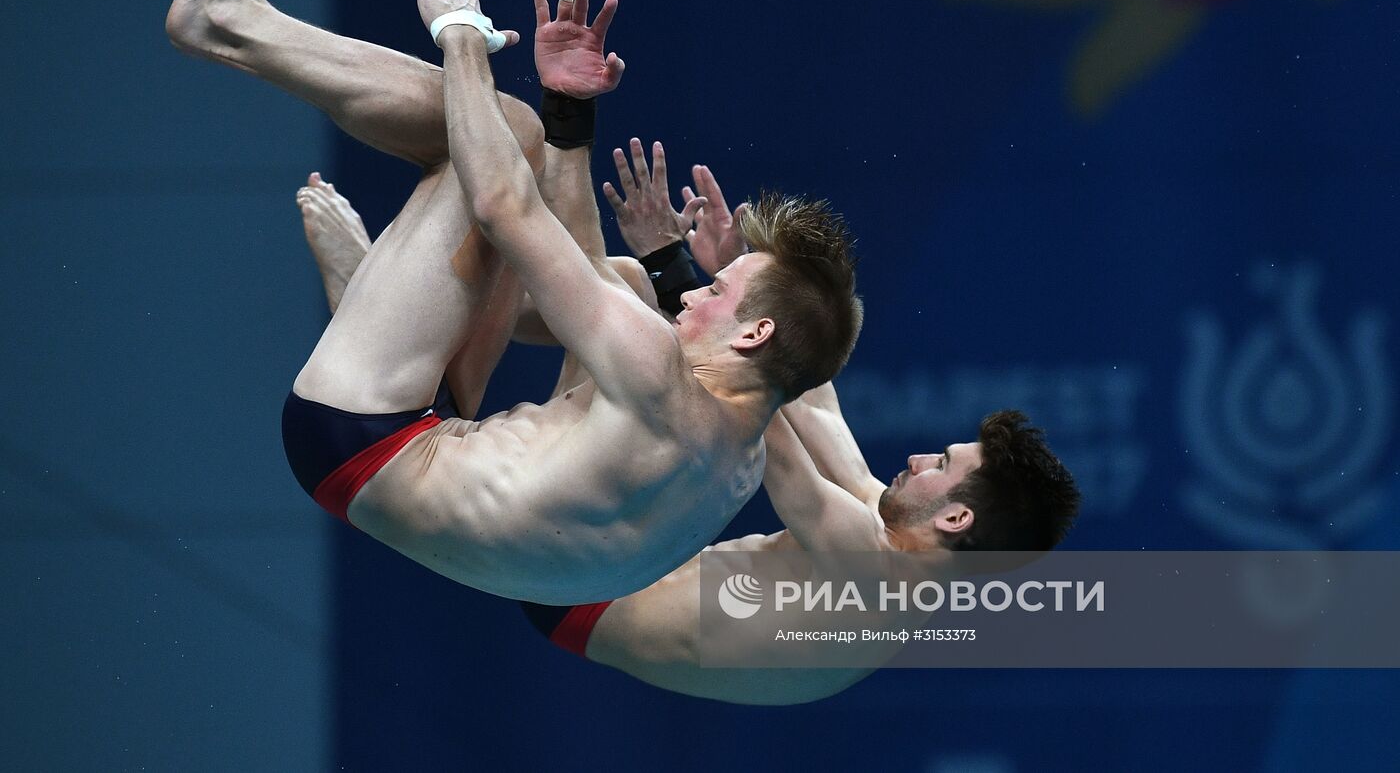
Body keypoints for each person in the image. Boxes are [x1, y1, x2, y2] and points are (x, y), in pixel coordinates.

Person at [168, 0, 863, 604]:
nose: (690, 297)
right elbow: (585, 275)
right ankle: (380, 288)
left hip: (356, 429)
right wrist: (567, 111)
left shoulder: (658, 376)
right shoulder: (742, 461)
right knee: (612, 275)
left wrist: (459, 35)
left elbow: (502, 205)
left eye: (717, 290)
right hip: (442, 484)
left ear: (754, 332)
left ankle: (227, 18)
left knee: (508, 133)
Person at [296, 154, 1080, 704]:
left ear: (957, 517)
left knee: (623, 310)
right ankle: (397, 315)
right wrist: (750, 294)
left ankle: (387, 306)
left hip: (584, 586)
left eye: (941, 461)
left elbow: (760, 417)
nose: (917, 455)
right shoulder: (891, 546)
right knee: (628, 302)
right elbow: (817, 405)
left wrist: (695, 283)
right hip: (608, 567)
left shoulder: (877, 582)